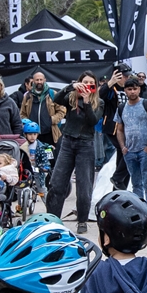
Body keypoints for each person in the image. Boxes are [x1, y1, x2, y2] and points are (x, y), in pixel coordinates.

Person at [45, 74, 102, 233]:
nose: (87, 86)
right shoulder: (71, 98)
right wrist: (71, 87)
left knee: (84, 187)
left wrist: (87, 102)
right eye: (85, 82)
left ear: (95, 86)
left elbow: (93, 121)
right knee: (57, 183)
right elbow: (56, 99)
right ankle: (53, 220)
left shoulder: (99, 102)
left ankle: (82, 221)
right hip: (68, 143)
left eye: (91, 83)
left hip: (85, 144)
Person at [113, 77, 147, 208]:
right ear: (125, 90)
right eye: (129, 89)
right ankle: (140, 209)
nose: (132, 92)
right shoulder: (121, 108)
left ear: (139, 89)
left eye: (135, 89)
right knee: (136, 184)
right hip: (130, 152)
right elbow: (119, 129)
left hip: (145, 151)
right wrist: (123, 147)